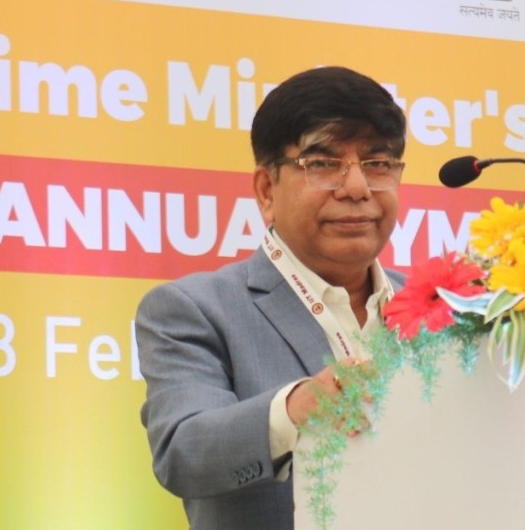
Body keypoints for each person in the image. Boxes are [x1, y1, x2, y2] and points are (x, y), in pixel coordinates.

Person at [136, 66, 408, 530]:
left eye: (378, 163)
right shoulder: (196, 309)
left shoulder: (444, 310)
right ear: (266, 190)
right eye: (322, 164)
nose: (357, 188)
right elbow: (184, 452)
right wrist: (295, 409)